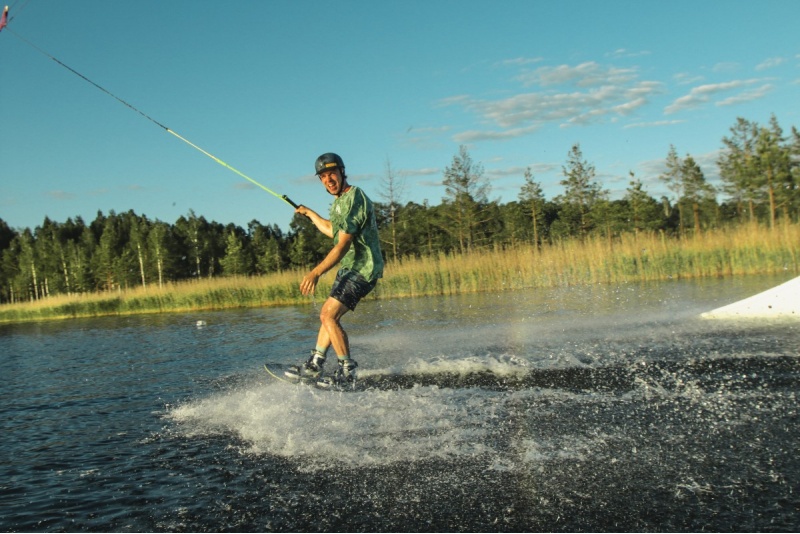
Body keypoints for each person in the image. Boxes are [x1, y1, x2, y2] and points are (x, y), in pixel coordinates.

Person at [285, 152, 384, 387]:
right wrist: (310, 214)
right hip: (350, 267)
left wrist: (315, 272)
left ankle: (347, 371)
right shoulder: (339, 203)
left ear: (342, 173)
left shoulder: (355, 197)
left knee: (328, 315)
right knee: (327, 316)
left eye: (332, 174)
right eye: (323, 176)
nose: (328, 180)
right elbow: (333, 231)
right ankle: (316, 364)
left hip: (363, 268)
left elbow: (342, 244)